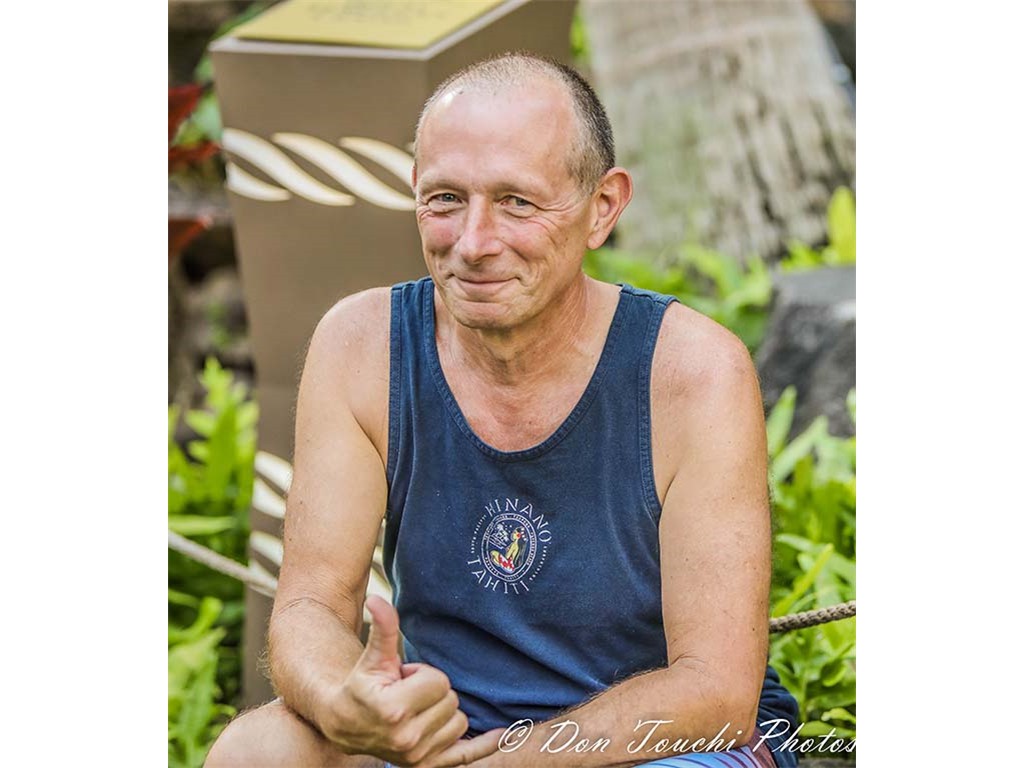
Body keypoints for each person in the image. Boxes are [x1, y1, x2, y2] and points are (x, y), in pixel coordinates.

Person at [206, 52, 800, 768]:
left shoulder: (693, 371)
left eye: (517, 201)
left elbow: (715, 690)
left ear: (602, 207)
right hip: (449, 730)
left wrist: (517, 760)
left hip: (652, 742)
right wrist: (347, 701)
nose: (474, 242)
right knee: (258, 751)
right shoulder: (361, 346)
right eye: (445, 199)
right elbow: (310, 608)